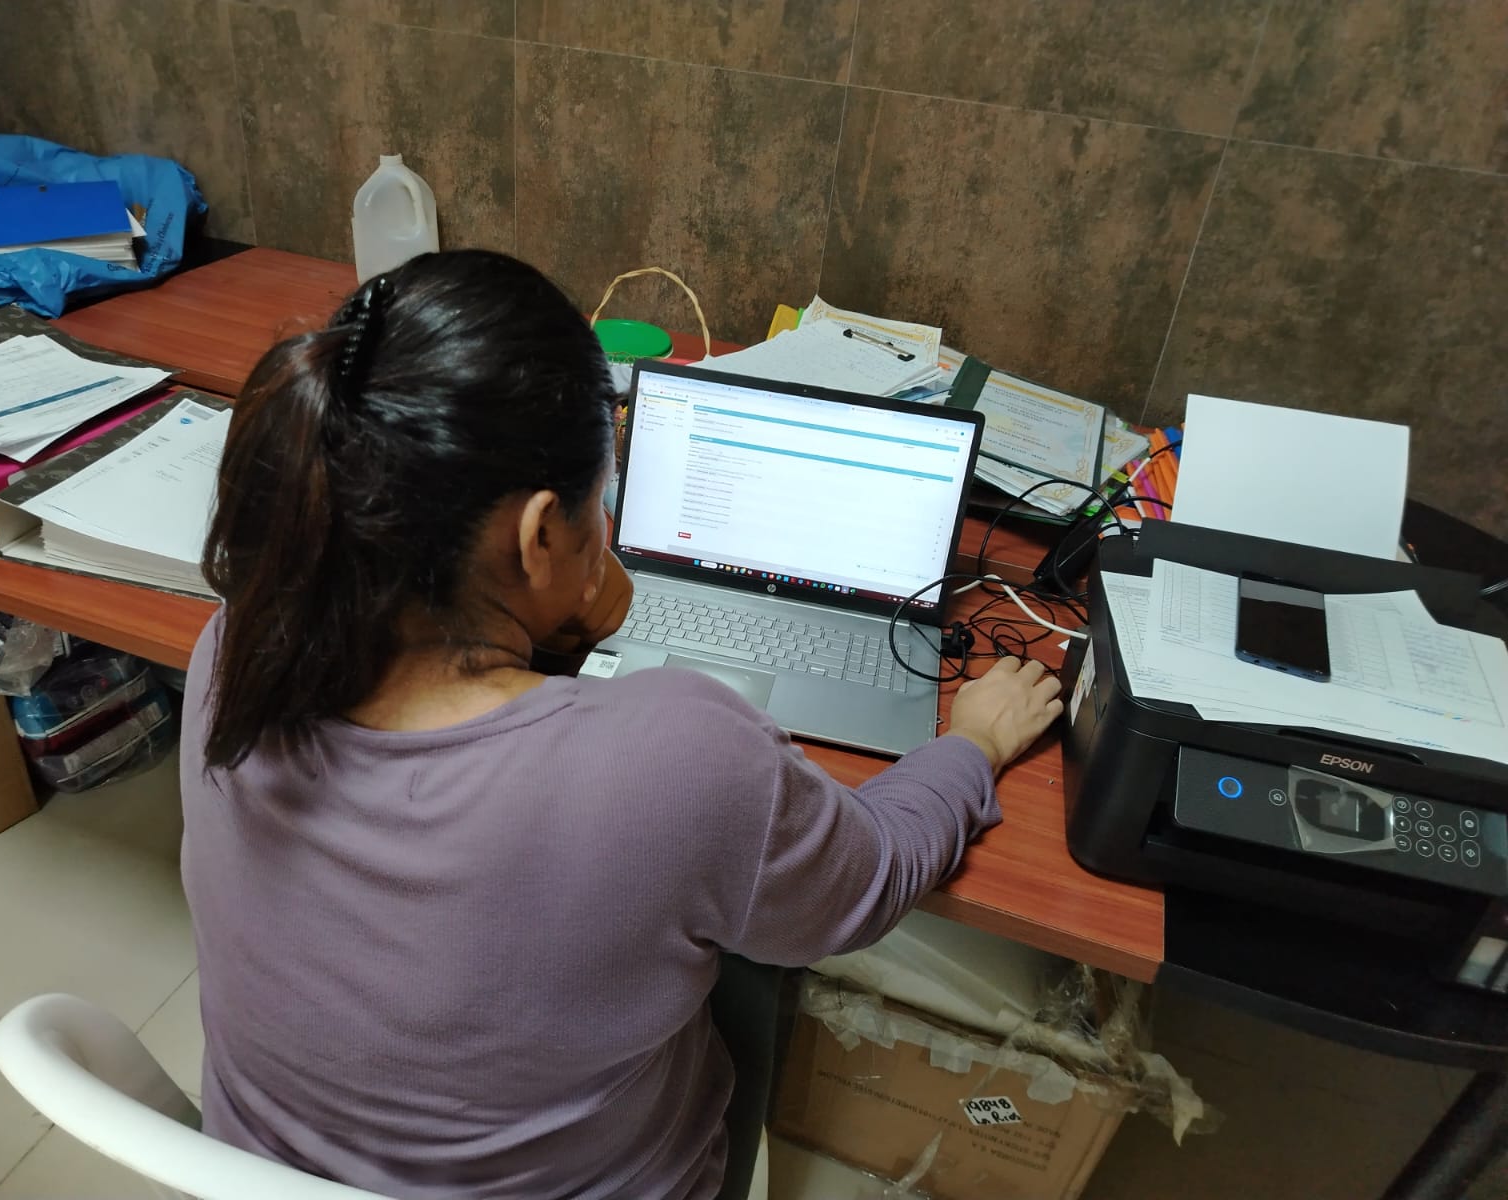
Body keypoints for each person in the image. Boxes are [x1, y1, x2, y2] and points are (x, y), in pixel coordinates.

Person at [180, 250, 1062, 1200]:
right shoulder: (673, 756)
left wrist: (549, 629)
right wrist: (973, 743)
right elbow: (868, 878)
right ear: (538, 536)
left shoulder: (235, 648)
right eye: (602, 499)